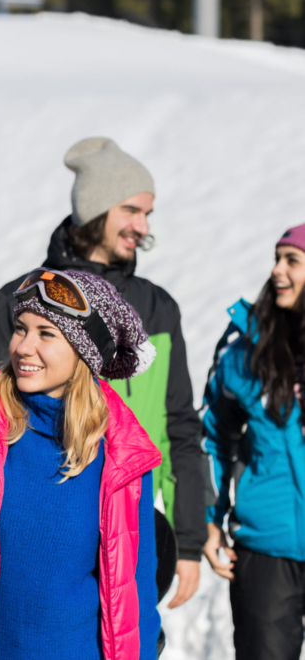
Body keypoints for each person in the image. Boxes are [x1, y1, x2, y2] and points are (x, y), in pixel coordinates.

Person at [0, 137, 205, 607]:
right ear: (96, 209)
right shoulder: (19, 299)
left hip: (130, 521)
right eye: (132, 210)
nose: (142, 225)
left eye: (147, 214)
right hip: (33, 522)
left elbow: (179, 425)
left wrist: (190, 539)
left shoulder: (157, 309)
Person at [0, 268, 161, 660]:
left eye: (46, 334)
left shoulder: (122, 451)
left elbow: (135, 583)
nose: (23, 347)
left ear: (84, 351)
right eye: (21, 328)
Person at [203, 222, 305, 660]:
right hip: (266, 545)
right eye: (277, 258)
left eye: (292, 260)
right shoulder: (245, 355)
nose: (277, 271)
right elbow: (212, 439)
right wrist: (209, 521)